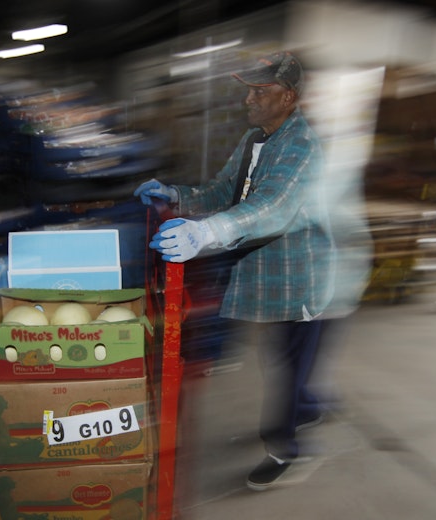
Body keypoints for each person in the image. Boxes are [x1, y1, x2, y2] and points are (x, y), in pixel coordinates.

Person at [134, 51, 334, 491]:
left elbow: (273, 207)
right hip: (264, 269)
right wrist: (177, 196)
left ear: (289, 97)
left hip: (300, 275)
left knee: (290, 360)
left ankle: (286, 449)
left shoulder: (301, 146)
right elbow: (225, 190)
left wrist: (206, 233)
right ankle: (306, 409)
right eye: (248, 90)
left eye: (260, 91)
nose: (249, 99)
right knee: (281, 356)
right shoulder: (254, 139)